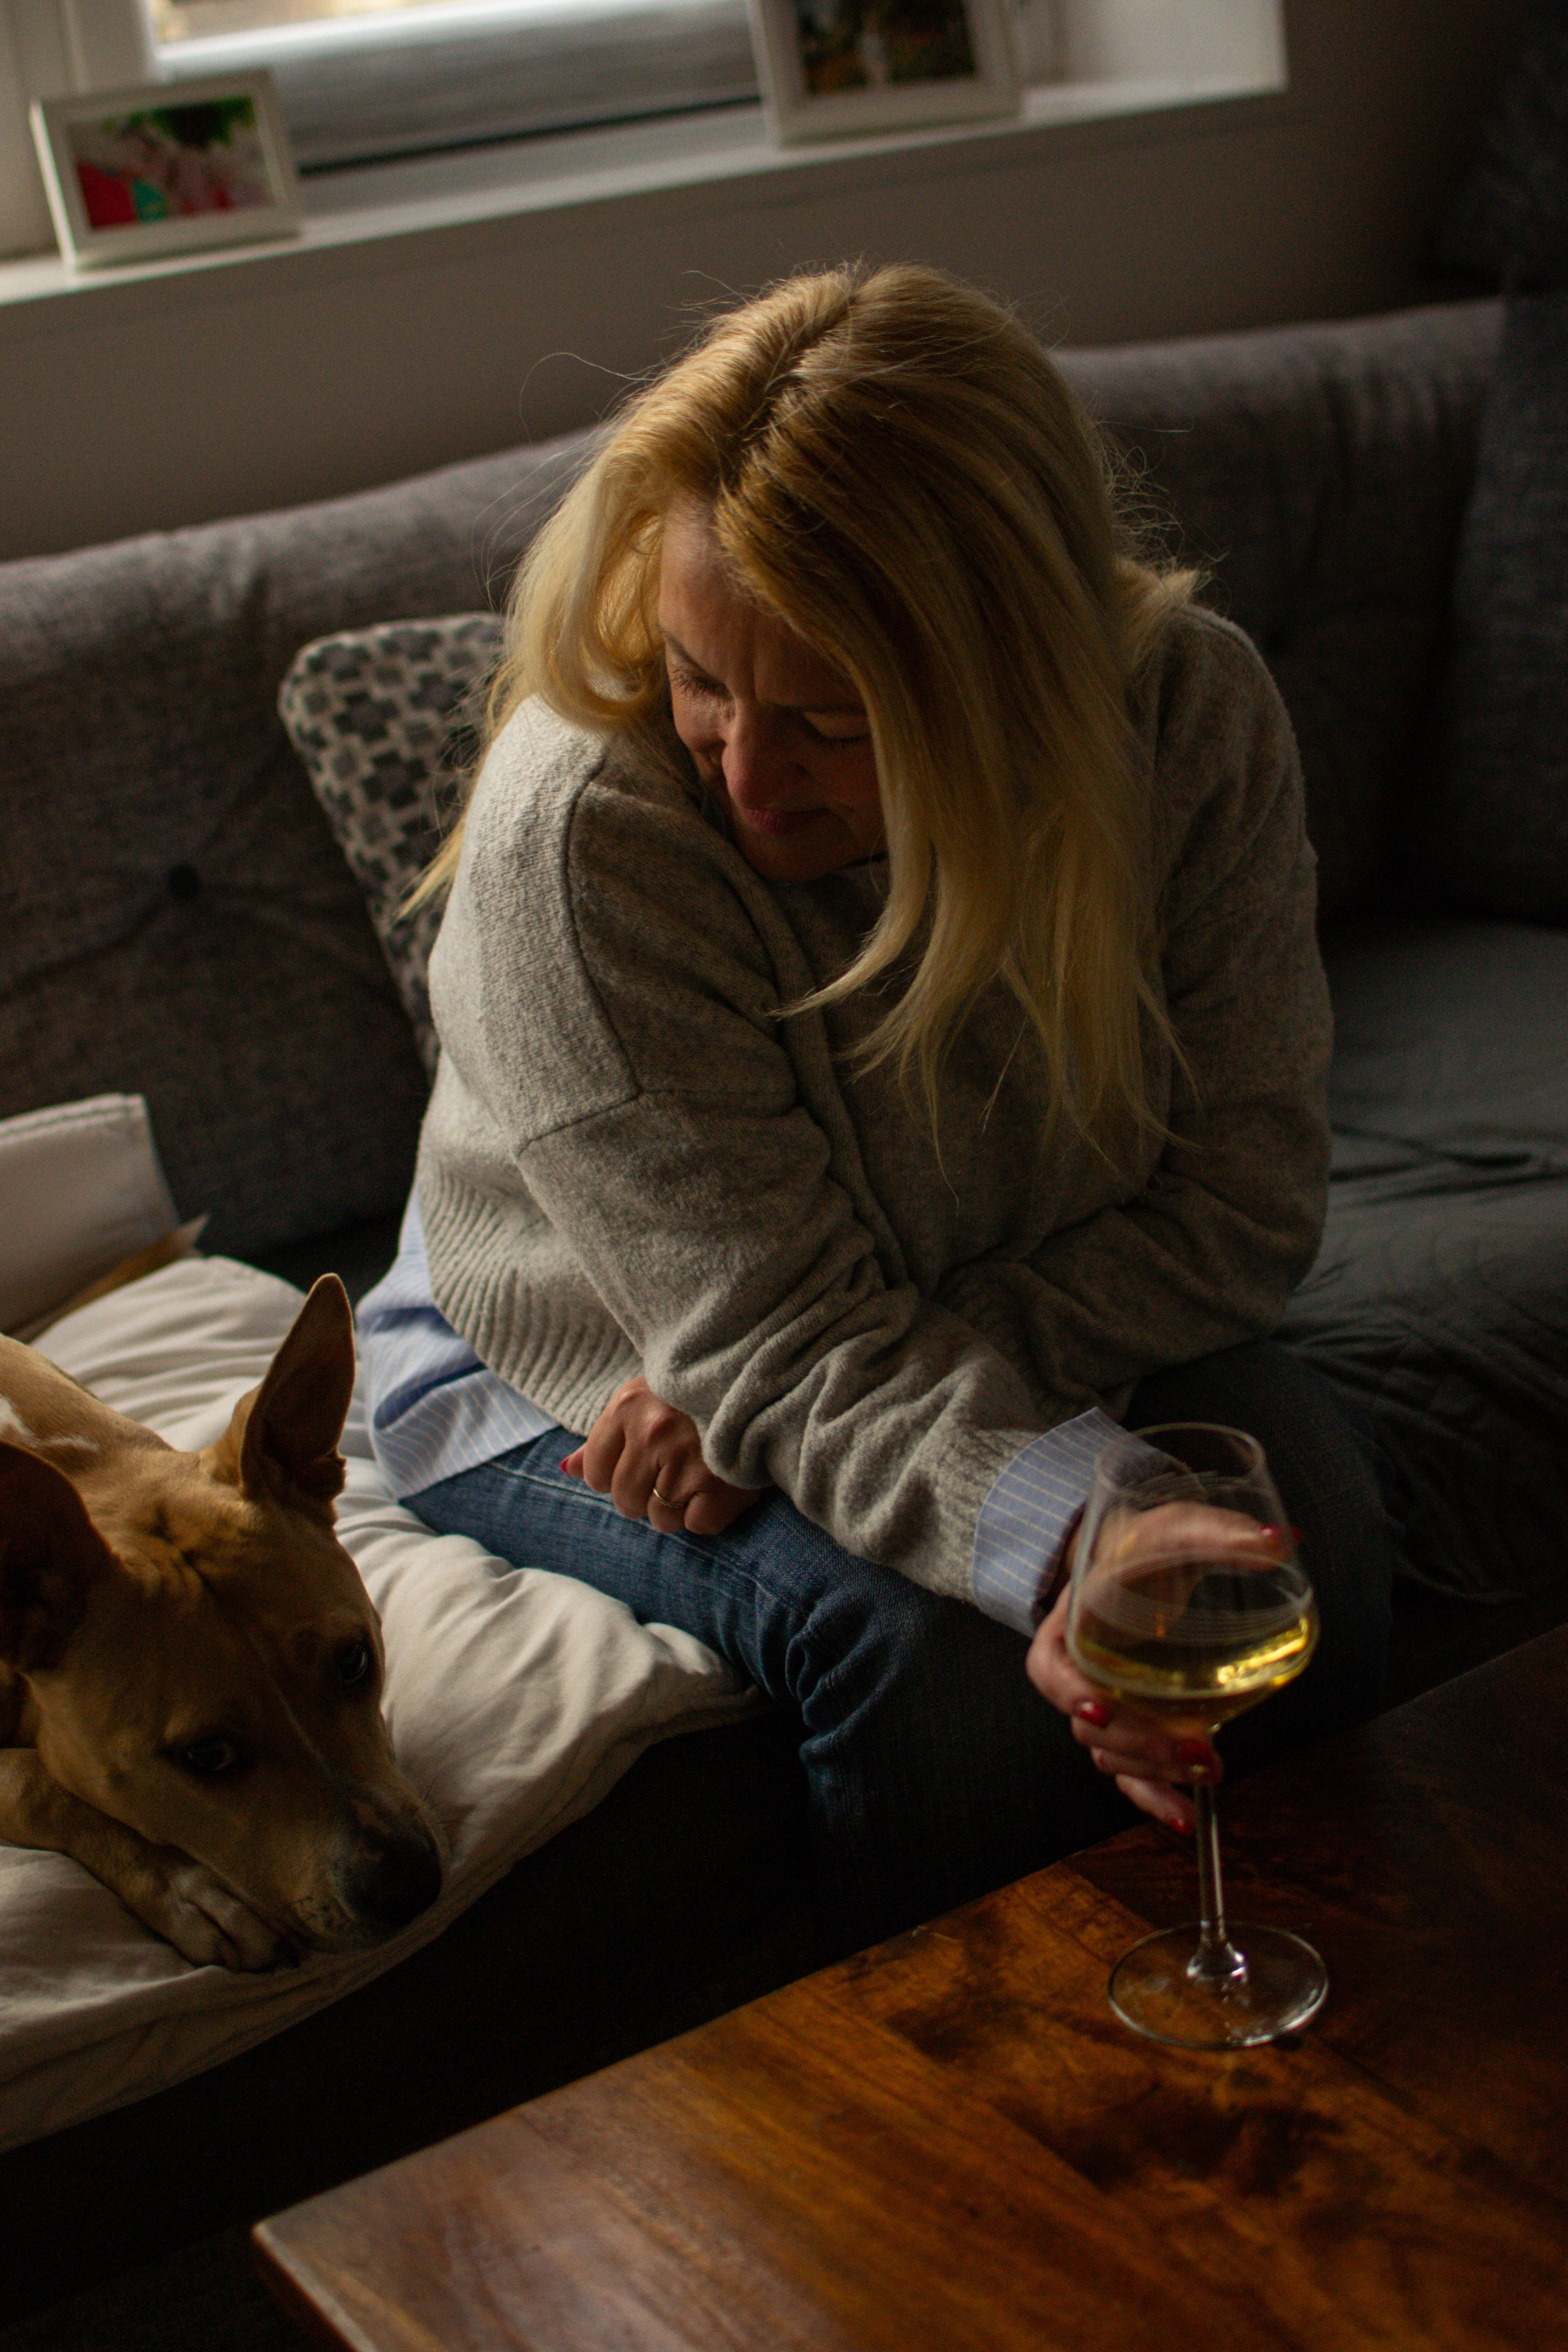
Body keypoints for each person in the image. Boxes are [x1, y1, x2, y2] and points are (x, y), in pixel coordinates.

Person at [359, 263, 1395, 1954]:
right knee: (940, 1668)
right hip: (559, 1350)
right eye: (702, 676)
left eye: (835, 721)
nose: (744, 771)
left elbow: (1246, 1209)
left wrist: (806, 1384)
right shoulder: (595, 832)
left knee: (1319, 1536)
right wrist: (1065, 1521)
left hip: (823, 1324)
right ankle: (962, 2138)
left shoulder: (1188, 717)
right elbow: (772, 1331)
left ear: (1016, 686)